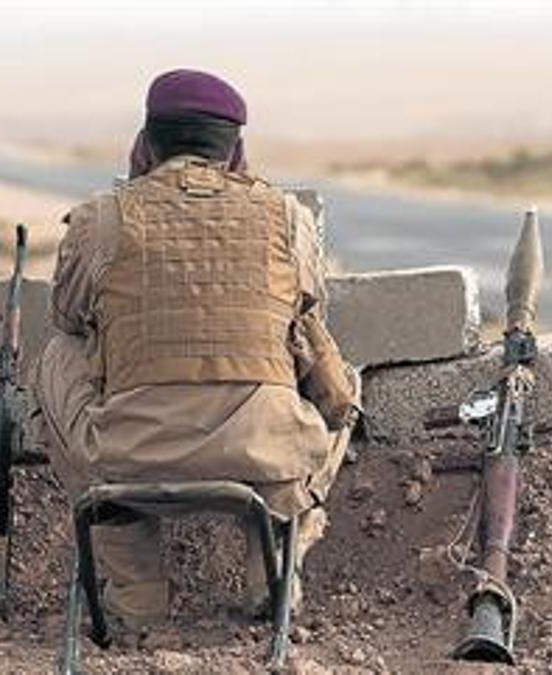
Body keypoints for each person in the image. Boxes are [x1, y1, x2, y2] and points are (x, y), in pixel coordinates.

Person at [32, 68, 361, 630]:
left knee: (56, 354)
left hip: (130, 455)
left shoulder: (99, 218)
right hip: (266, 452)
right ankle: (275, 569)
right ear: (237, 153)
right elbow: (306, 314)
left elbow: (67, 319)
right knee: (328, 365)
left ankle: (135, 595)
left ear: (144, 146)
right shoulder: (288, 217)